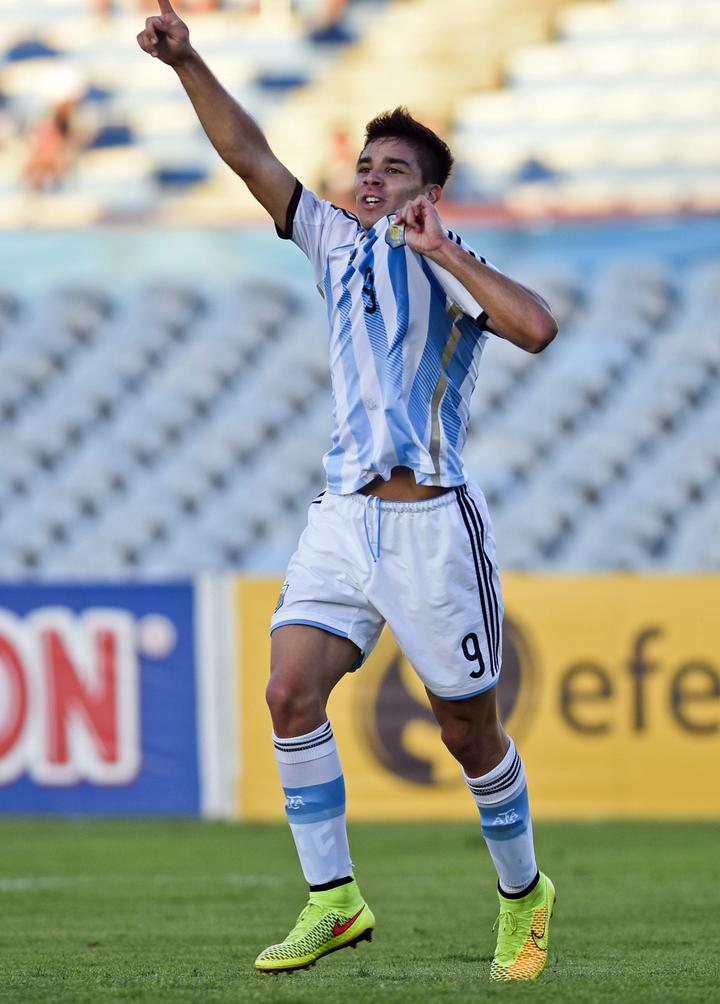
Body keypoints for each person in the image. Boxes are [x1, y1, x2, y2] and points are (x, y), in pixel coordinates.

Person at [137, 0, 558, 982]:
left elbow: (538, 329)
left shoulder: (448, 265)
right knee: (288, 691)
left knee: (467, 732)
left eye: (394, 169)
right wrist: (187, 62)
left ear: (431, 192)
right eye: (366, 165)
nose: (371, 178)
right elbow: (249, 156)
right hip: (343, 518)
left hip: (431, 526)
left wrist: (442, 248)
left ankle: (524, 894)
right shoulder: (330, 239)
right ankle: (334, 899)